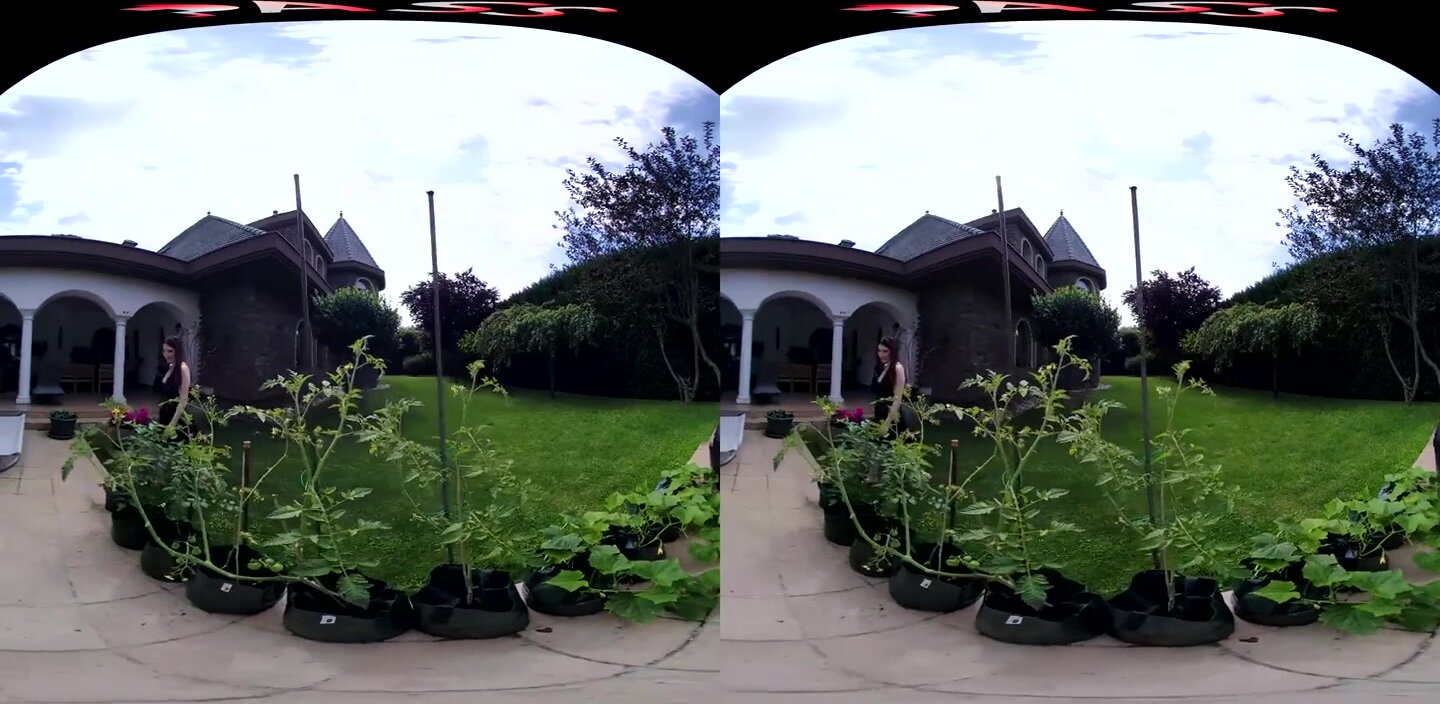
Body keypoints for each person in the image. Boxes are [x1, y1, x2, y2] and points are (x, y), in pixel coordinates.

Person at [866, 336, 911, 483]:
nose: (881, 354)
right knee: (875, 445)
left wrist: (887, 422)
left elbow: (898, 398)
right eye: (879, 351)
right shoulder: (879, 368)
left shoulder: (897, 368)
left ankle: (892, 480)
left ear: (892, 351)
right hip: (879, 412)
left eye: (885, 351)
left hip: (892, 415)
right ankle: (873, 476)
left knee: (891, 447)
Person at [155, 335, 193, 439]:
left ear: (177, 351)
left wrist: (172, 426)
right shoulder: (171, 367)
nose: (166, 354)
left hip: (177, 420)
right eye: (164, 351)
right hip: (165, 416)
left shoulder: (183, 368)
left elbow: (183, 400)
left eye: (170, 351)